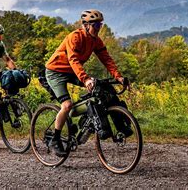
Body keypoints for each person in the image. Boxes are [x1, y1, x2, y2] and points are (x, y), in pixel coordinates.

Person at [45, 9, 128, 157]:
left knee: (101, 89)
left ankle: (88, 119)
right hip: (56, 72)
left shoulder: (96, 41)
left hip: (72, 71)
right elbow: (73, 60)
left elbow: (106, 59)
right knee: (67, 105)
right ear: (86, 25)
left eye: (100, 25)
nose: (98, 29)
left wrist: (119, 77)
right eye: (96, 26)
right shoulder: (75, 37)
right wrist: (85, 79)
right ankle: (55, 139)